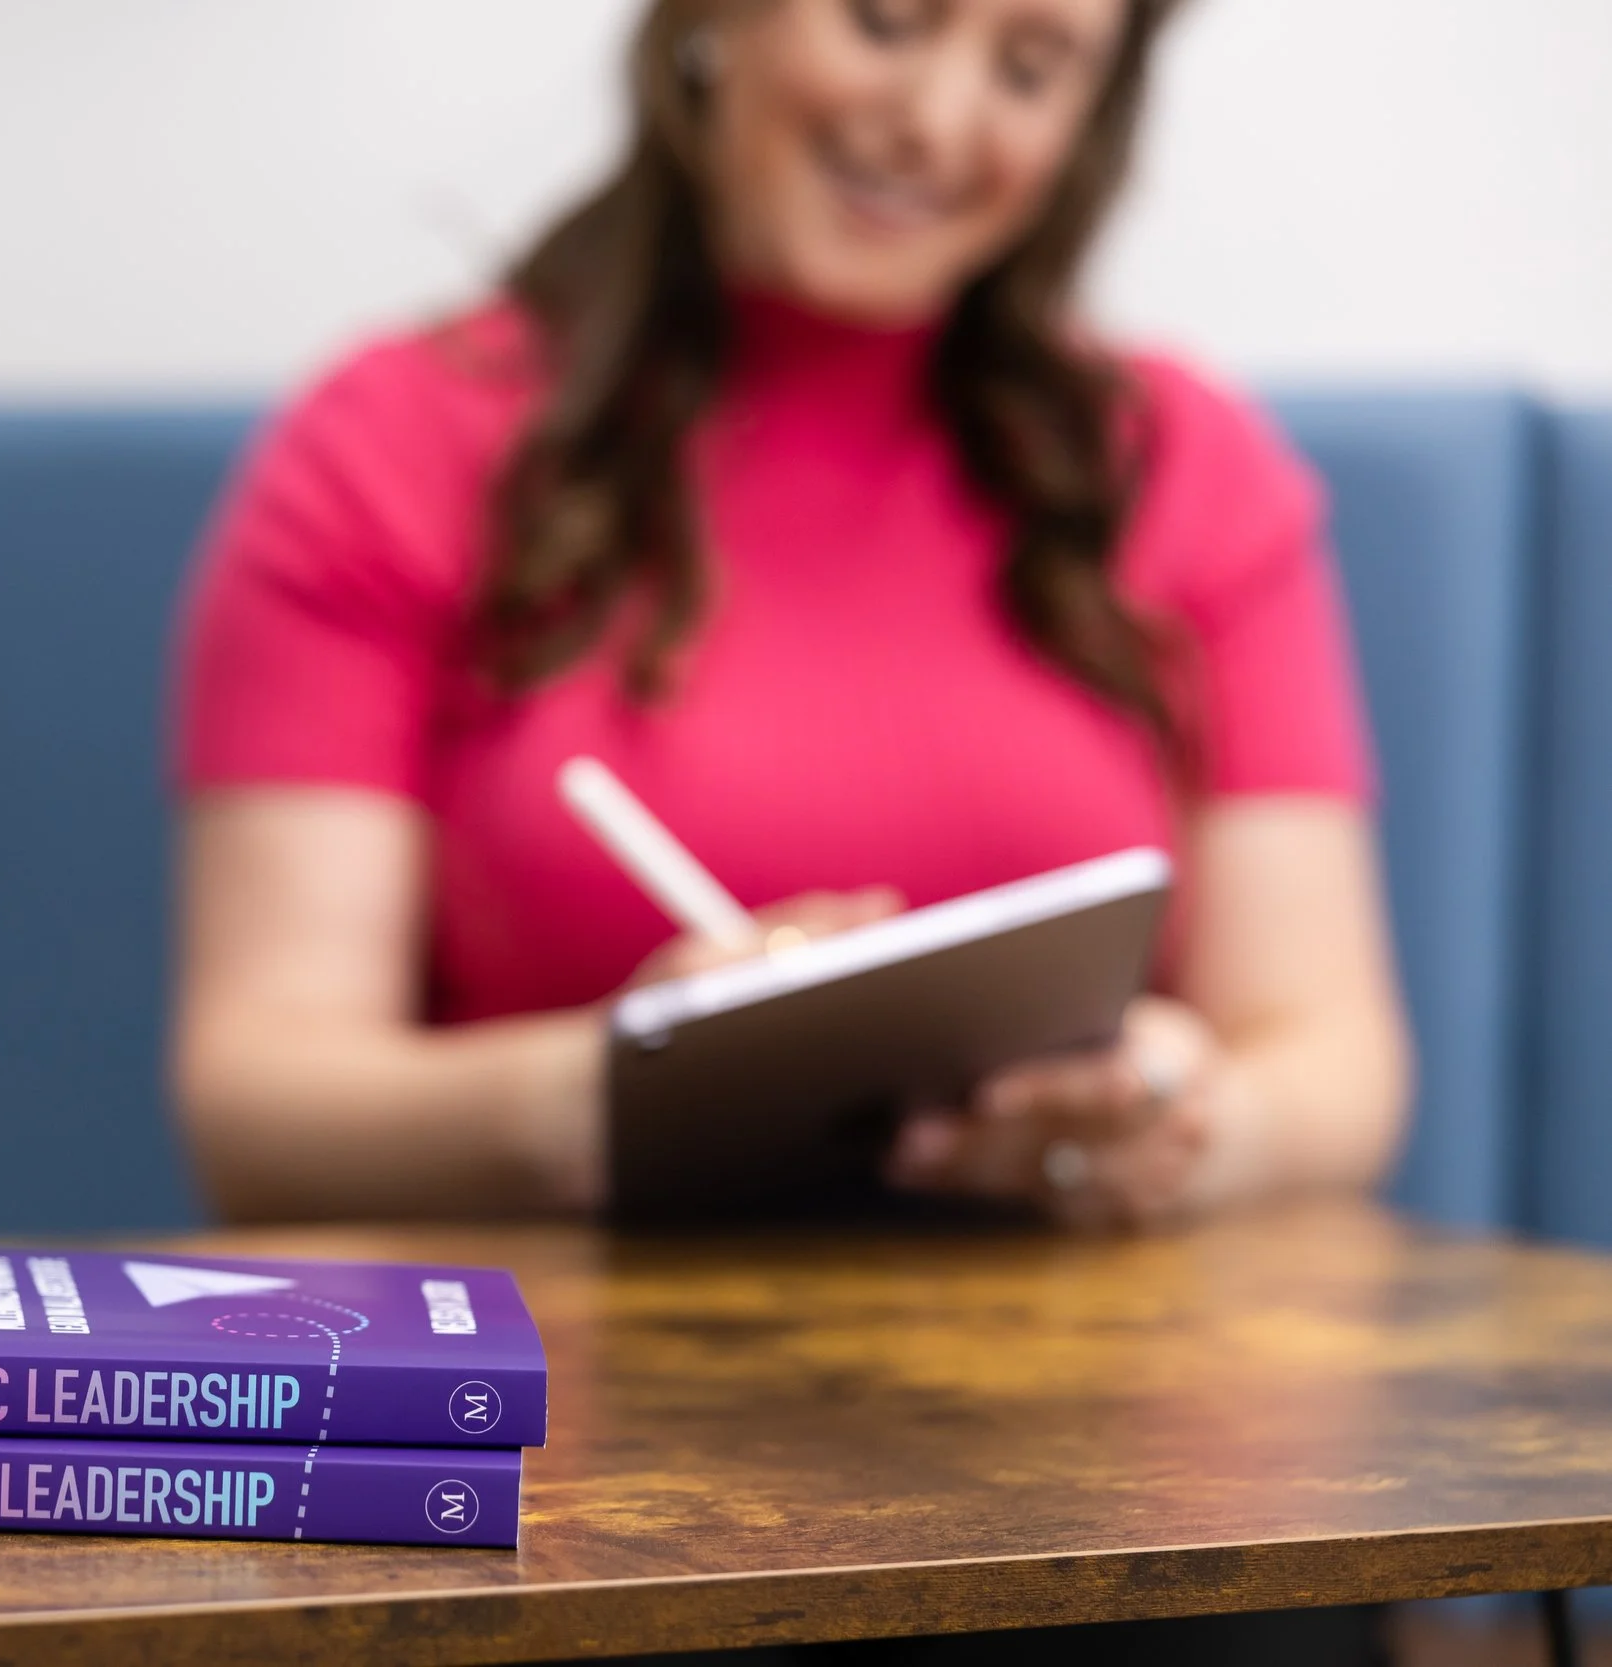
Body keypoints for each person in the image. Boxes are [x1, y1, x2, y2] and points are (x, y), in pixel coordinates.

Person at [169, 0, 1410, 1238]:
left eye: (1030, 71)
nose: (935, 123)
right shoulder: (394, 446)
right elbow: (262, 1105)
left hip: (1107, 1348)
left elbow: (1329, 1054)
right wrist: (618, 1089)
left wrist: (1190, 1120)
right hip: (561, 1344)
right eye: (885, 20)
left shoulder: (1181, 465)